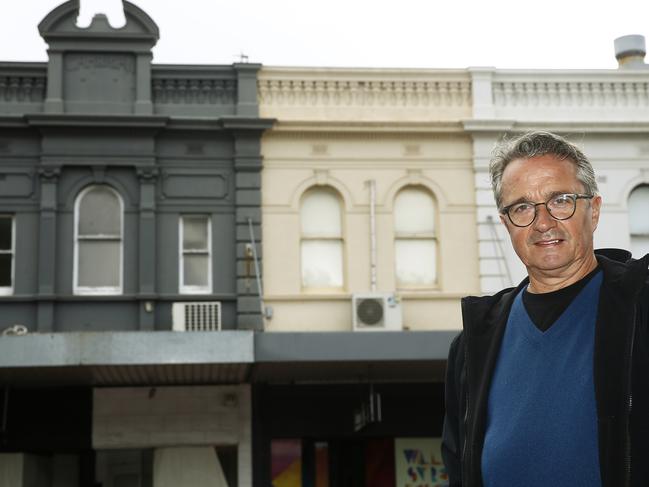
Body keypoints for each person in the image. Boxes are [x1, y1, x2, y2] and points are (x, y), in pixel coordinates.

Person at [442, 131, 649, 487]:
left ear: (594, 210)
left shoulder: (640, 308)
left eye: (560, 200)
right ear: (507, 224)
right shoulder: (472, 347)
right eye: (522, 206)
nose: (542, 222)